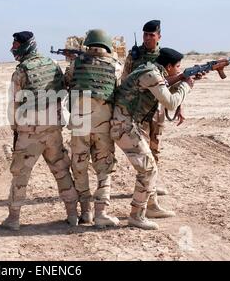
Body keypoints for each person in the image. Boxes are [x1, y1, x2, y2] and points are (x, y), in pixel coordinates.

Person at [1, 31, 79, 231]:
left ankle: (13, 219)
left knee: (21, 174)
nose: (13, 48)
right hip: (53, 128)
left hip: (30, 132)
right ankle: (72, 214)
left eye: (16, 45)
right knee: (61, 169)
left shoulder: (20, 72)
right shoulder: (52, 64)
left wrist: (15, 129)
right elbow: (63, 90)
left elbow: (14, 106)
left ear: (25, 46)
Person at [110, 48, 194, 230]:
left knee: (149, 167)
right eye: (177, 67)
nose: (179, 71)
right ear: (169, 66)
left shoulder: (149, 70)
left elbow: (163, 85)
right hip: (124, 126)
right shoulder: (152, 74)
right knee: (148, 169)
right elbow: (170, 102)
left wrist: (180, 80)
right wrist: (186, 85)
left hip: (125, 124)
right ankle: (137, 215)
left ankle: (150, 207)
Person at [65, 29, 123, 228]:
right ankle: (101, 213)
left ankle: (86, 212)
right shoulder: (115, 66)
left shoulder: (76, 64)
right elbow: (119, 90)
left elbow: (67, 82)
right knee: (104, 168)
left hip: (80, 125)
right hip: (103, 126)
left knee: (79, 167)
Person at [123, 20, 172, 195]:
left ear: (159, 36)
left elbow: (172, 82)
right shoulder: (134, 55)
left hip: (157, 108)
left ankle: (153, 183)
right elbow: (125, 80)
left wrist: (179, 107)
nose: (147, 38)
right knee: (142, 149)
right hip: (139, 110)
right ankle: (143, 184)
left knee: (155, 146)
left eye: (151, 35)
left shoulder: (165, 56)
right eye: (145, 34)